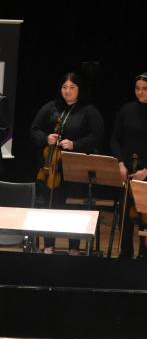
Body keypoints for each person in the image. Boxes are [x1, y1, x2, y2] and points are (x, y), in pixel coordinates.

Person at [31, 72, 104, 255]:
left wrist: (75, 144)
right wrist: (46, 138)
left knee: (74, 206)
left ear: (80, 89)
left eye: (72, 87)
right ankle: (49, 244)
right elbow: (34, 130)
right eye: (64, 87)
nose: (67, 91)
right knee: (50, 205)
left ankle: (74, 247)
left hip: (74, 168)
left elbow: (97, 136)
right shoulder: (51, 107)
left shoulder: (88, 110)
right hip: (51, 167)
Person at [111, 73, 147, 259]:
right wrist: (120, 163)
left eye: (145, 89)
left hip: (145, 172)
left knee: (145, 217)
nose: (140, 92)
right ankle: (125, 255)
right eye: (137, 88)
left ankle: (143, 256)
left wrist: (146, 171)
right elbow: (115, 139)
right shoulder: (126, 109)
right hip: (127, 170)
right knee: (125, 215)